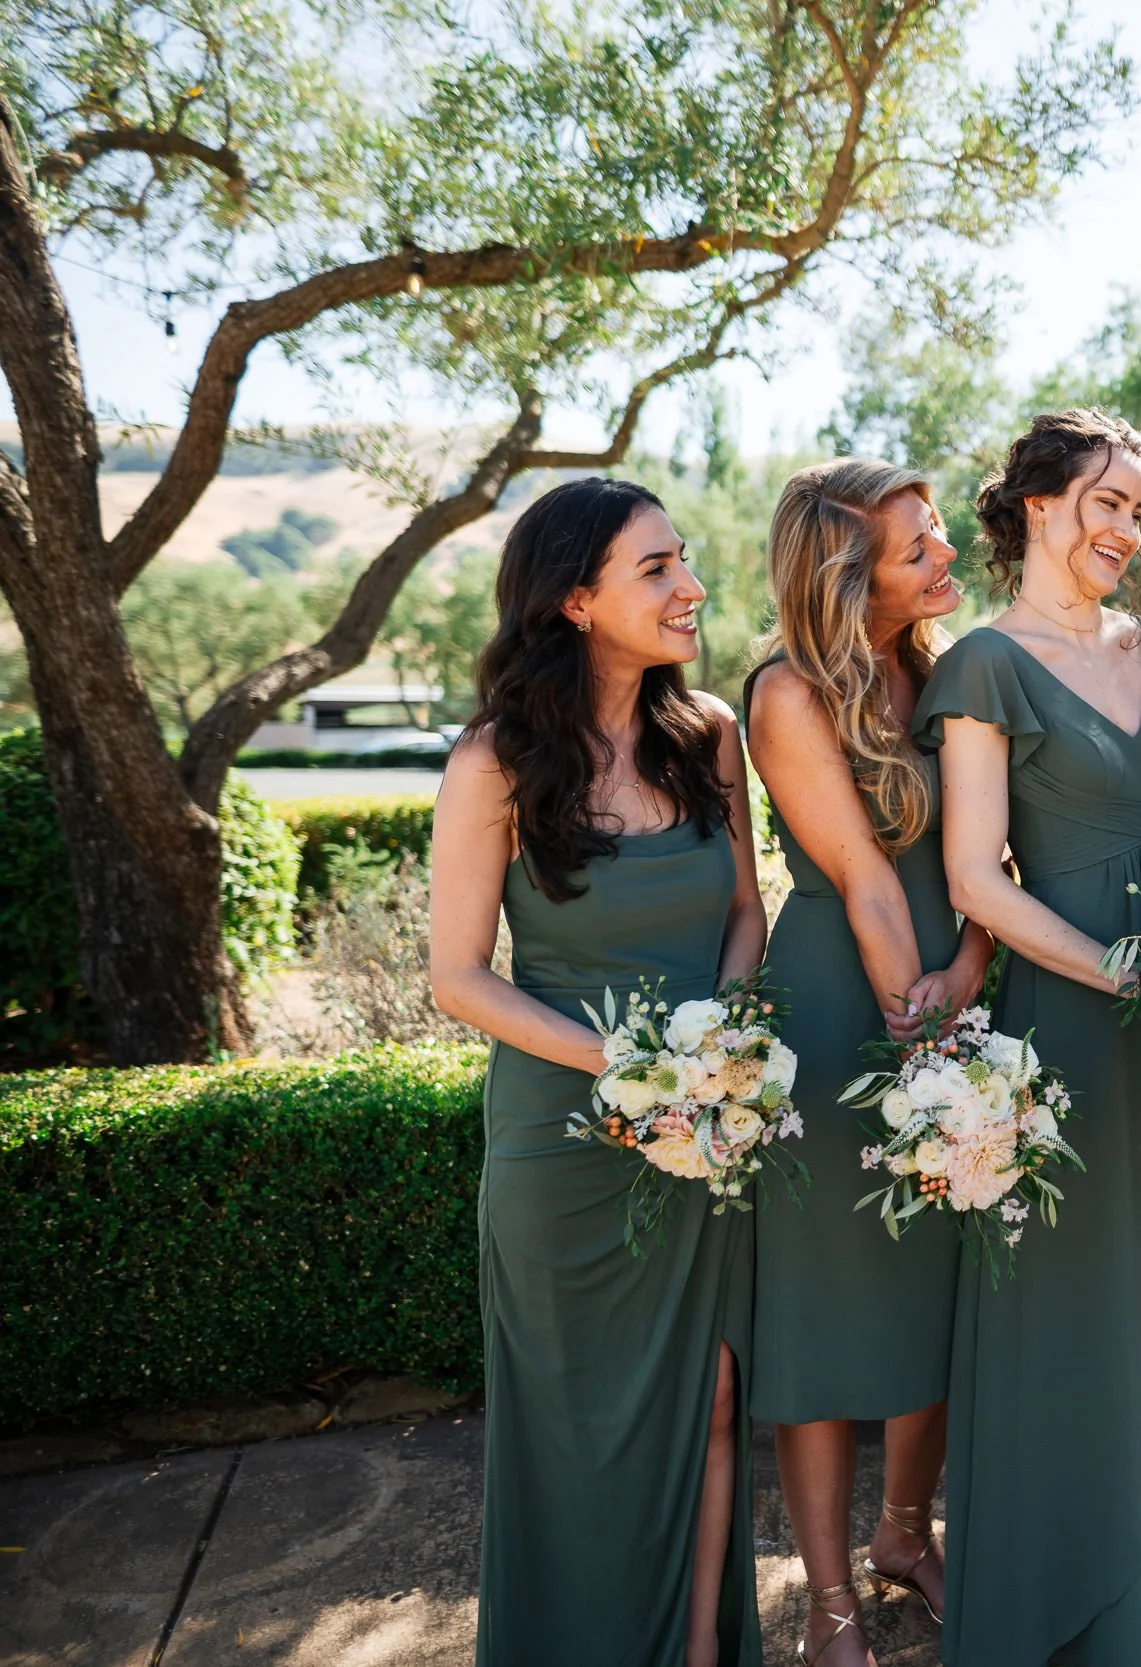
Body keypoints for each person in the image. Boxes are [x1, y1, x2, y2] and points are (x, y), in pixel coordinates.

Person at [431, 476, 770, 1667]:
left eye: (684, 561)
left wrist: (717, 1045)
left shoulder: (710, 735)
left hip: (704, 1129)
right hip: (561, 1145)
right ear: (575, 600)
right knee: (573, 1438)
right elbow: (458, 977)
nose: (691, 587)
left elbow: (744, 915)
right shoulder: (494, 763)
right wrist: (635, 1067)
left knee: (715, 1399)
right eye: (657, 568)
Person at [914, 409, 1141, 1667]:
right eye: (1105, 500)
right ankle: (1063, 1606)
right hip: (1067, 1019)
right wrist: (1118, 973)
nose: (1124, 529)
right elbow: (976, 877)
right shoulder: (984, 664)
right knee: (1067, 1311)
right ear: (1036, 504)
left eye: (1138, 509)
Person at [744, 460, 995, 1664]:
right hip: (847, 1001)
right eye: (918, 547)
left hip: (950, 989)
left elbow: (998, 851)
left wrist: (975, 979)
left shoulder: (949, 675)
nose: (945, 557)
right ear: (848, 573)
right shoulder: (787, 695)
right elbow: (864, 875)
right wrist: (920, 1042)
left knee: (937, 1280)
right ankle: (828, 1596)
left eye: (939, 534)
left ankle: (907, 1532)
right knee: (824, 1307)